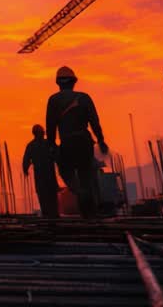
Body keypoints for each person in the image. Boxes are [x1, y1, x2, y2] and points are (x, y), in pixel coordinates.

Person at [46, 66, 108, 218]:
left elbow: (50, 125)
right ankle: (88, 212)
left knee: (66, 171)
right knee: (86, 176)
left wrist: (52, 145)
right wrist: (101, 140)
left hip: (67, 143)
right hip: (84, 142)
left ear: (58, 83)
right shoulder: (84, 98)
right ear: (73, 82)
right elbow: (94, 121)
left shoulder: (54, 100)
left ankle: (79, 194)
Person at [23, 124, 59, 217]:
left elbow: (26, 159)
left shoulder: (32, 145)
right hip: (46, 174)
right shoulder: (48, 143)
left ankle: (49, 214)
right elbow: (57, 155)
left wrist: (25, 168)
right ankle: (51, 214)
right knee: (48, 195)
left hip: (43, 174)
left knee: (45, 195)